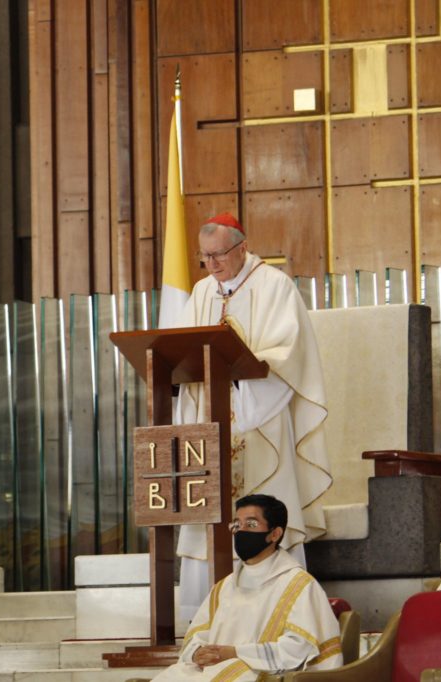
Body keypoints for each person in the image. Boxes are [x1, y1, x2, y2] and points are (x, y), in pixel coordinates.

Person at [173, 213, 333, 620]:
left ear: (242, 247)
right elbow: (182, 352)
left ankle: (279, 609)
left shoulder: (274, 286)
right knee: (207, 511)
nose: (212, 265)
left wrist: (242, 377)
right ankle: (203, 615)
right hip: (211, 420)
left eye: (219, 255)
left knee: (266, 492)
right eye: (204, 257)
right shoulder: (201, 291)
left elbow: (289, 352)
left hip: (260, 416)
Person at [154, 495, 342, 680]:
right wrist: (197, 653)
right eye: (236, 524)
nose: (240, 530)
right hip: (213, 670)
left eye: (251, 524)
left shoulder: (298, 585)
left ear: (275, 534)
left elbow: (299, 648)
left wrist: (236, 653)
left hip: (266, 674)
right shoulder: (224, 587)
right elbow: (196, 635)